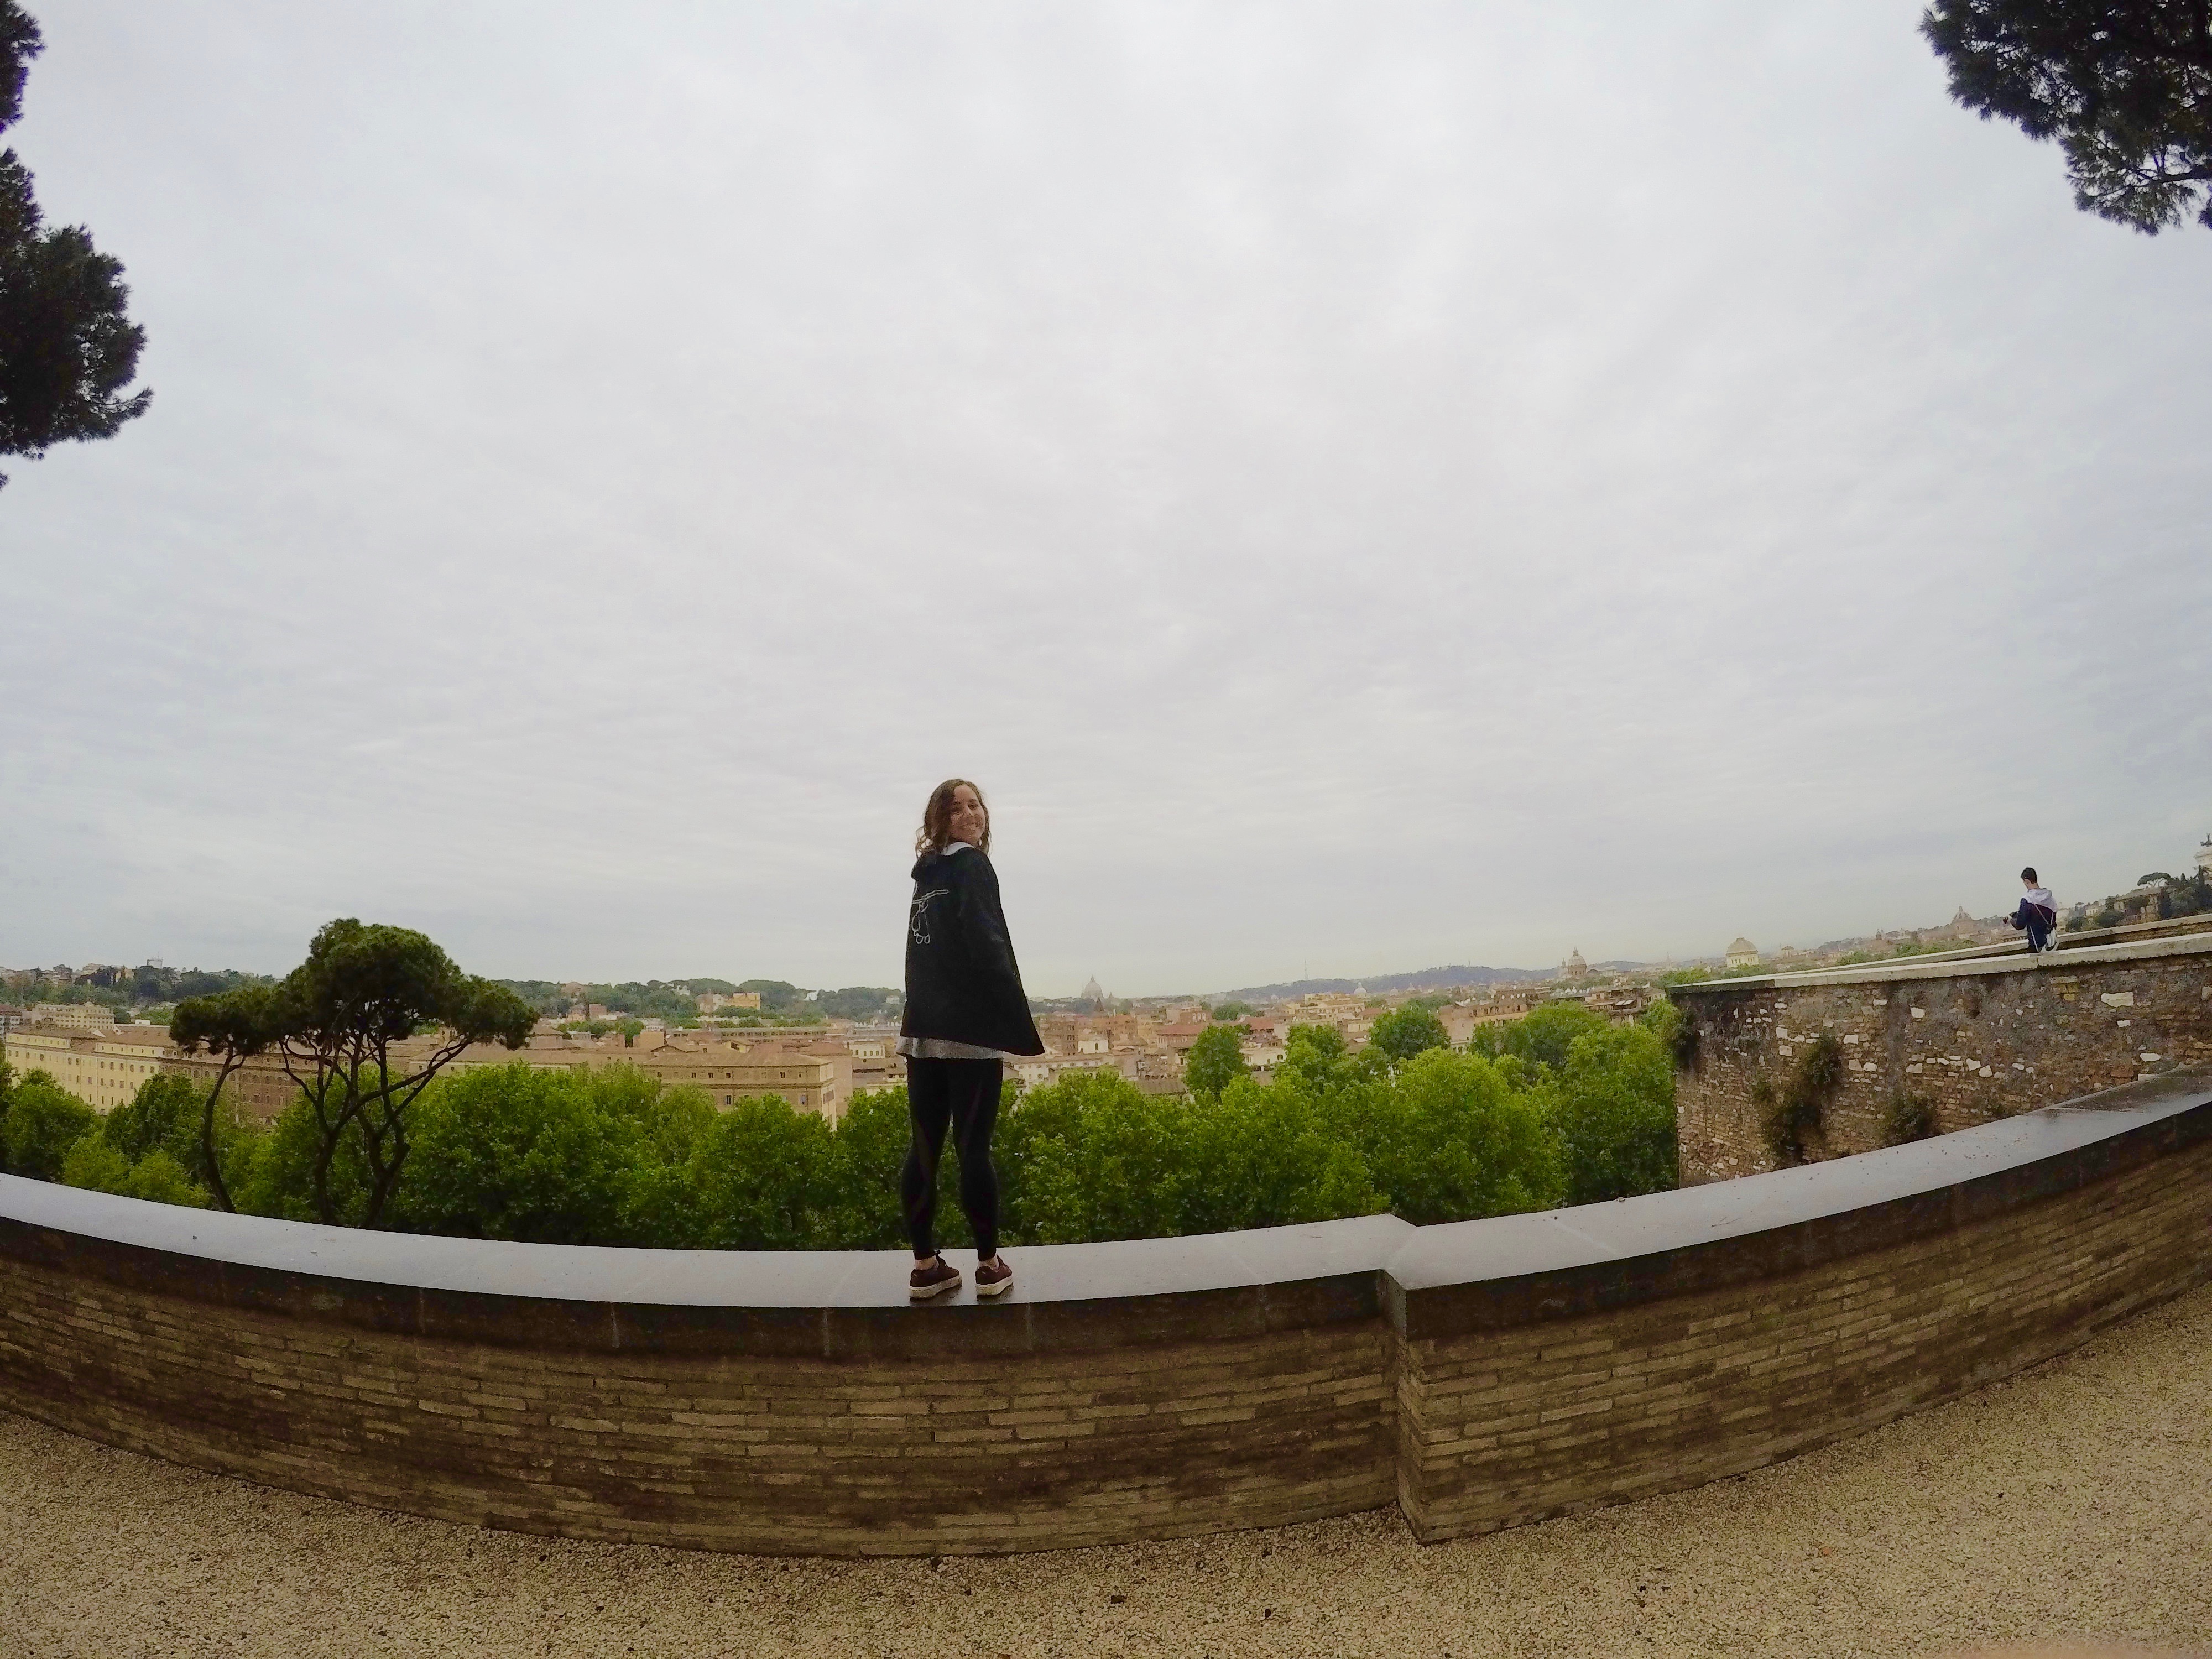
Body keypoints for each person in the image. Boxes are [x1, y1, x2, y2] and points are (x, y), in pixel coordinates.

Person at [896, 779, 1045, 1300]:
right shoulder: (972, 866)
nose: (970, 815)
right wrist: (1014, 1019)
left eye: (974, 805)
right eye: (956, 808)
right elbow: (988, 944)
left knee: (923, 1148)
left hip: (922, 1030)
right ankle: (988, 1265)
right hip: (967, 1031)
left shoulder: (927, 874)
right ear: (939, 820)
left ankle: (925, 1267)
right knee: (973, 1149)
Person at [2008, 867, 2057, 953]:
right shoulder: (2050, 899)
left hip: (2036, 948)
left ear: (2027, 881)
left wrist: (2011, 920)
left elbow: (2020, 925)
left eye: (2024, 882)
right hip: (2051, 945)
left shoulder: (2027, 900)